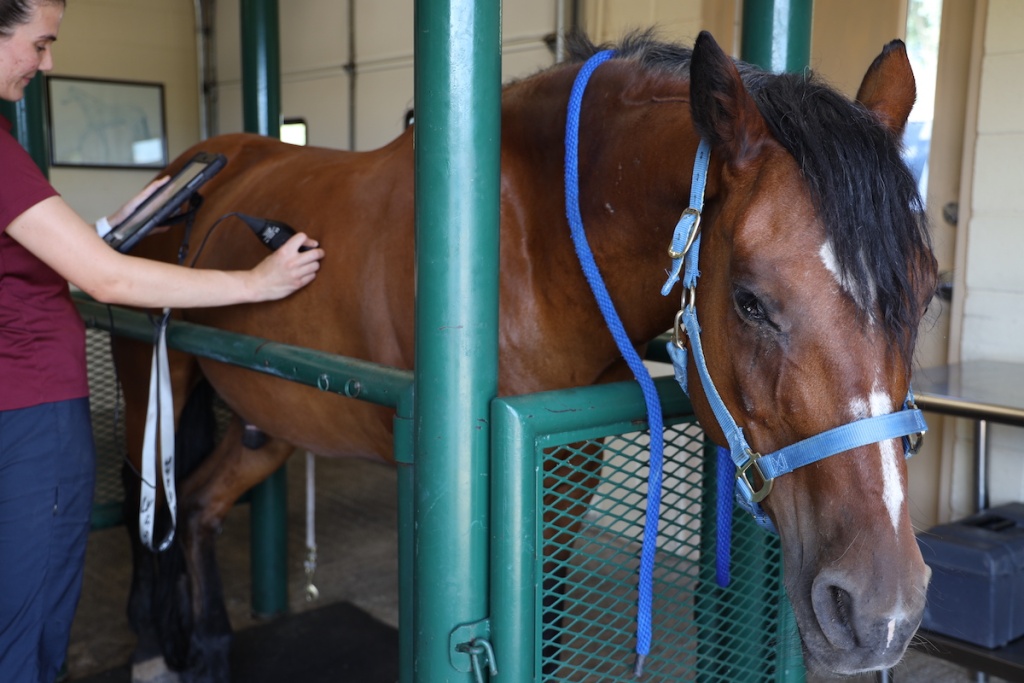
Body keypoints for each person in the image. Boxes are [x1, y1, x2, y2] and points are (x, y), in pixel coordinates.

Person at [0, 1, 325, 680]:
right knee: (29, 626)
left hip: (19, 406)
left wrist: (109, 228)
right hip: (31, 415)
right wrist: (256, 282)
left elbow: (38, 254)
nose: (48, 63)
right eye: (40, 43)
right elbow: (106, 280)